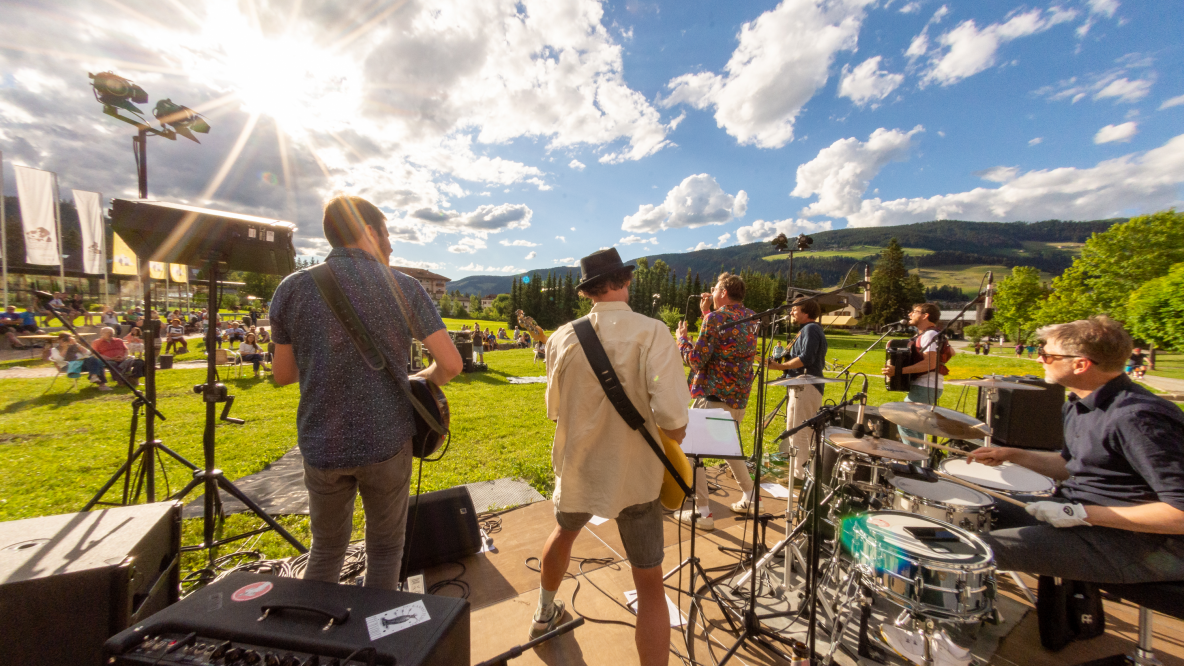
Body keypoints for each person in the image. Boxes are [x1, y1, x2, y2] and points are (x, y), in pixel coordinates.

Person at [270, 194, 462, 591]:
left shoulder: (291, 288)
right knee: (387, 547)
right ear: (370, 231)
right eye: (387, 233)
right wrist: (419, 379)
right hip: (386, 439)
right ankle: (375, 641)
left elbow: (283, 375)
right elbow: (452, 365)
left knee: (324, 549)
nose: (391, 244)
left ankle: (315, 641)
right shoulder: (403, 286)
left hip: (321, 442)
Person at [532, 248, 689, 665]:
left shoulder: (563, 336)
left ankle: (544, 612)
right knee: (650, 583)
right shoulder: (653, 332)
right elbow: (673, 423)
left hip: (581, 468)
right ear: (626, 281)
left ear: (588, 292)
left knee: (563, 535)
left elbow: (554, 411)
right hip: (636, 475)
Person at [968, 316, 1184, 584]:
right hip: (1083, 513)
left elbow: (1179, 513)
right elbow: (1073, 466)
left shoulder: (1137, 418)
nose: (1038, 359)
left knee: (969, 550)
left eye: (1046, 355)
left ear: (1080, 364)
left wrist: (1079, 514)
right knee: (972, 510)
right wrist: (1013, 455)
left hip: (1140, 544)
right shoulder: (1078, 402)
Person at [675, 273, 758, 528]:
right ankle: (751, 497)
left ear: (722, 291)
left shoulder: (716, 319)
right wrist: (706, 313)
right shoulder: (751, 317)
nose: (711, 290)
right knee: (729, 448)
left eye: (715, 288)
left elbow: (697, 360)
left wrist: (682, 341)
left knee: (692, 452)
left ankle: (703, 513)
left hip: (713, 396)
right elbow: (725, 344)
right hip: (737, 398)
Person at [766, 297, 829, 481]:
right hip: (799, 385)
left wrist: (779, 367)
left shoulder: (811, 329)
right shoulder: (805, 330)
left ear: (806, 311)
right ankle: (796, 474)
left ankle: (801, 477)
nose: (791, 312)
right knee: (793, 430)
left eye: (795, 309)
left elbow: (806, 358)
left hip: (807, 386)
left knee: (800, 432)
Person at [882, 303, 951, 448]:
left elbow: (930, 364)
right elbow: (950, 353)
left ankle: (917, 463)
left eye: (915, 312)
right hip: (925, 387)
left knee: (906, 423)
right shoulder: (927, 334)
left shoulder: (930, 334)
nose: (910, 314)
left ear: (925, 315)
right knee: (917, 428)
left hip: (925, 387)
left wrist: (898, 371)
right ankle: (922, 459)